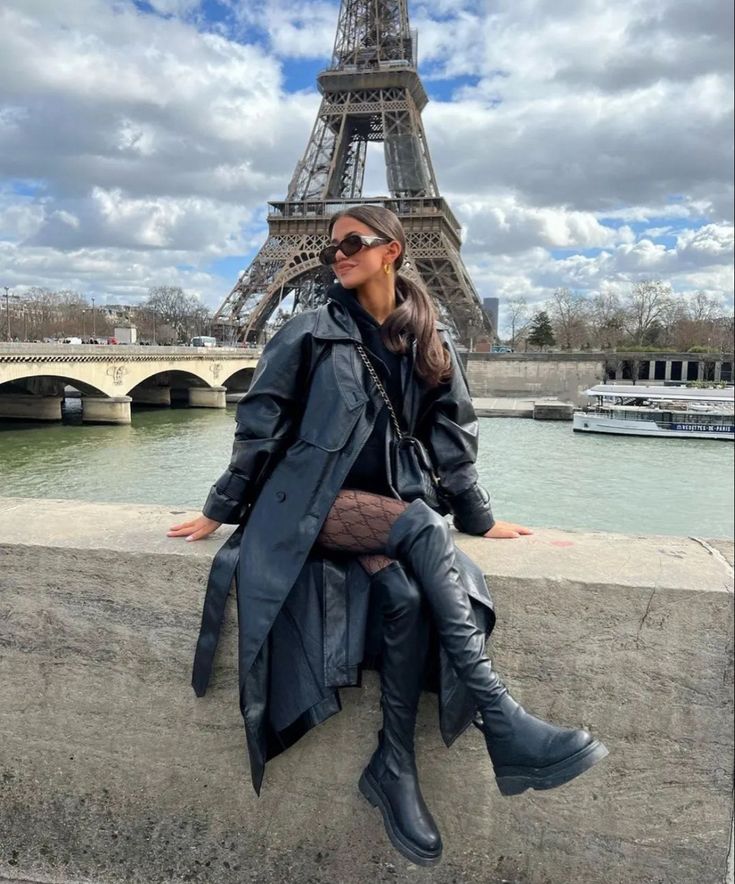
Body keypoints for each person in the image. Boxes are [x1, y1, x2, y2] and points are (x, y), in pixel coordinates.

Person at [167, 205, 608, 867]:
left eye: (351, 242)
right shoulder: (306, 333)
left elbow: (452, 440)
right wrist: (221, 507)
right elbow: (259, 427)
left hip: (386, 511)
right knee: (425, 528)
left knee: (404, 599)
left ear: (393, 250)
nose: (335, 253)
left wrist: (481, 517)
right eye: (330, 246)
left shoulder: (431, 337)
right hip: (305, 505)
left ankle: (393, 766)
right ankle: (500, 715)